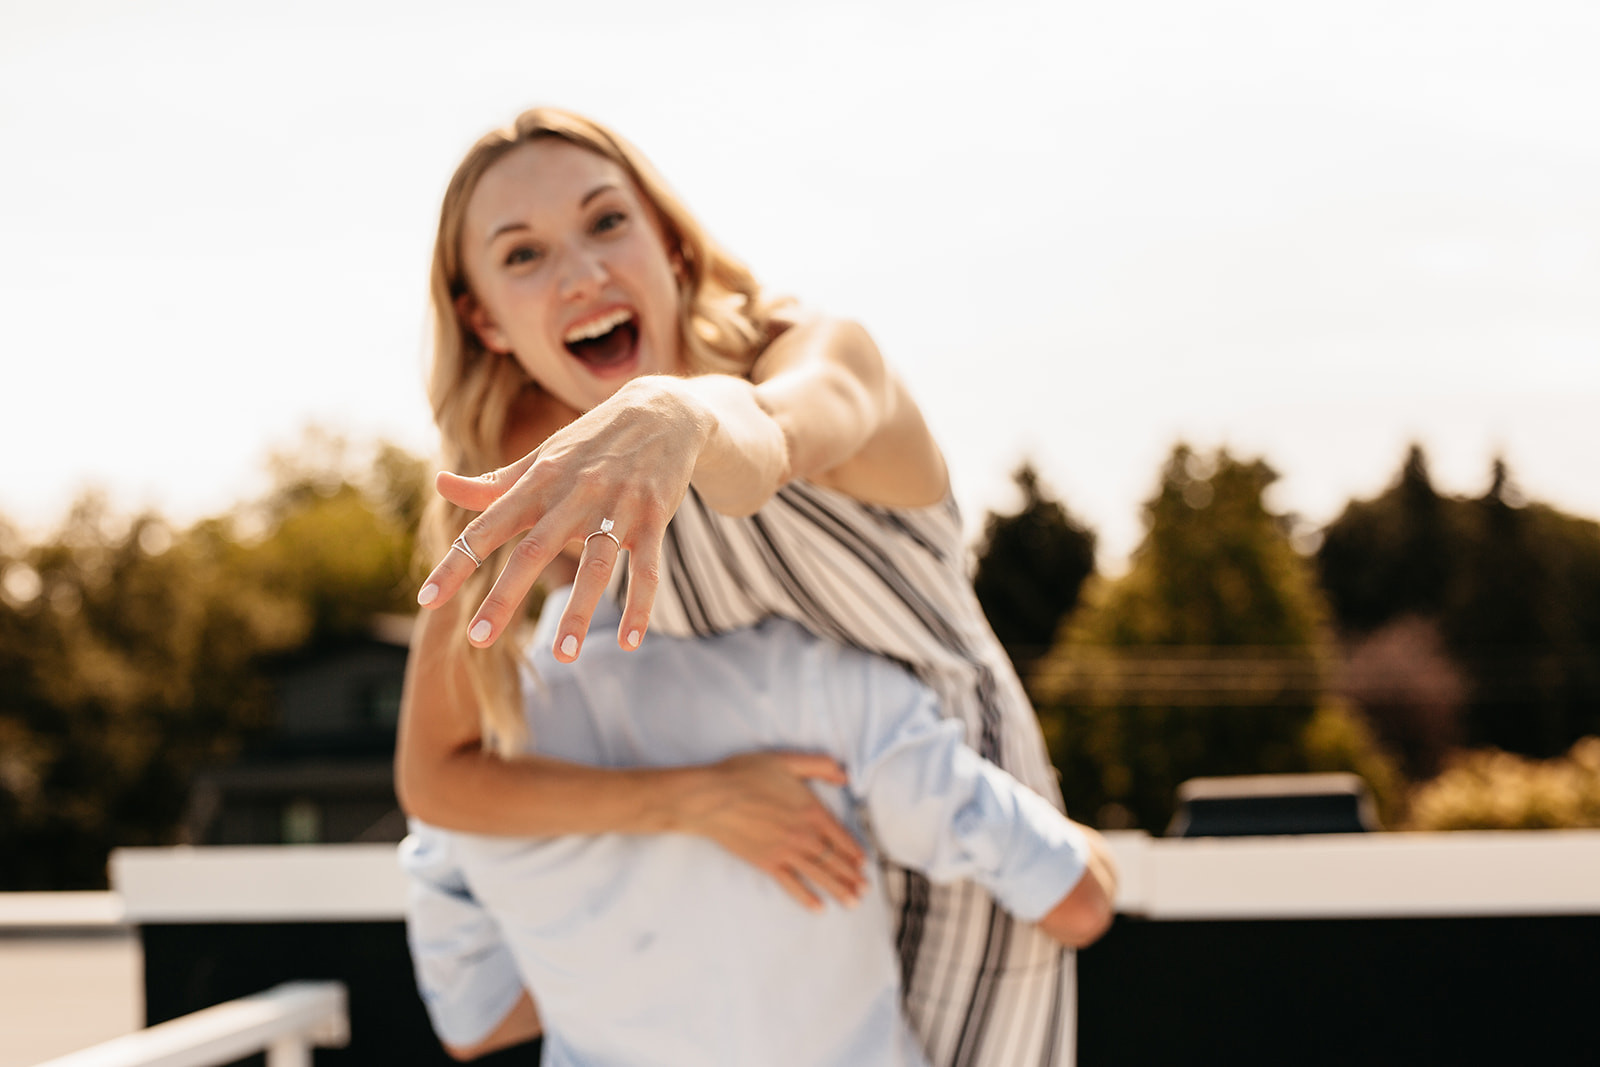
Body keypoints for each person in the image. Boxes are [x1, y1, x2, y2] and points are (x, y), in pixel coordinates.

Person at [397, 106, 1095, 1065]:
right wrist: (687, 800)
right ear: (485, 318)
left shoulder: (814, 354)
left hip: (968, 840)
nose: (583, 273)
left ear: (672, 247)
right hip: (777, 870)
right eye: (523, 255)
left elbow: (769, 432)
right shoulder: (538, 475)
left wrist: (679, 414)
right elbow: (438, 776)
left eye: (607, 223)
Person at [404, 576, 1117, 1064]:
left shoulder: (470, 776)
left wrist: (611, 964)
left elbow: (474, 1020)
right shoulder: (816, 683)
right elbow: (1073, 900)